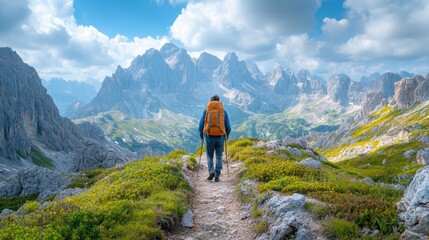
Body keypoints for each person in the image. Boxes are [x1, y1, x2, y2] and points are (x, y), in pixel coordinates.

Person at [199, 95, 231, 182]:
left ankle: (211, 171)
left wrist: (201, 134)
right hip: (220, 136)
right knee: (219, 156)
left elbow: (201, 124)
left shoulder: (206, 111)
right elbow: (228, 126)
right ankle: (217, 174)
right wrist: (227, 134)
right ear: (218, 101)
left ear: (210, 101)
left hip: (209, 136)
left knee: (209, 155)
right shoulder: (223, 111)